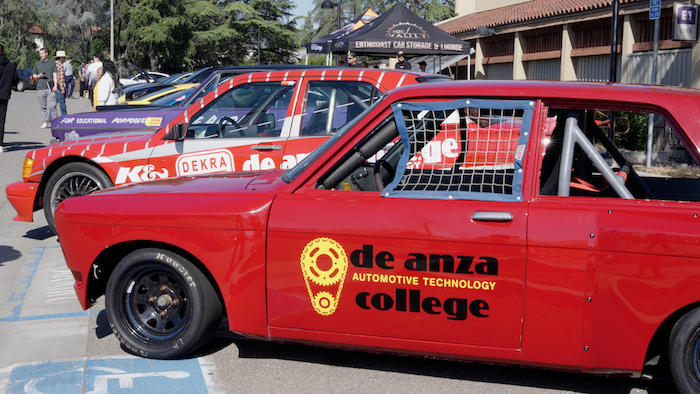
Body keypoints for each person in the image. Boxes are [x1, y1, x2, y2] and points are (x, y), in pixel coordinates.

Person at [32, 47, 58, 129]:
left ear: (46, 53)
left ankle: (55, 122)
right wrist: (39, 76)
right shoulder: (37, 63)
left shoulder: (52, 63)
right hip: (40, 87)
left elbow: (54, 74)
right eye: (40, 54)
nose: (41, 55)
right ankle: (44, 122)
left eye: (43, 53)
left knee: (53, 105)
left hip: (50, 87)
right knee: (43, 106)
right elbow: (34, 75)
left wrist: (55, 85)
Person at [0, 43, 18, 153]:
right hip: (4, 94)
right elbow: (15, 80)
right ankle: (0, 144)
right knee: (1, 120)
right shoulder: (11, 66)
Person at [54, 50, 67, 116]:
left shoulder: (53, 64)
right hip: (59, 86)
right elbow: (61, 78)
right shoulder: (60, 66)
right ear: (60, 57)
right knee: (62, 103)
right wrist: (62, 88)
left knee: (54, 103)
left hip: (53, 86)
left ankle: (51, 117)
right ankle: (64, 116)